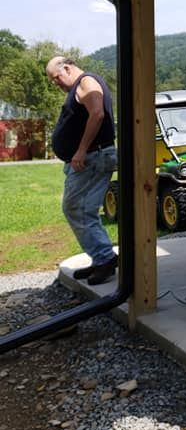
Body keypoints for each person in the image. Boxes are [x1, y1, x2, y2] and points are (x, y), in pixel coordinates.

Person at [46, 56, 118, 285]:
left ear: (66, 68)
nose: (55, 83)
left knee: (76, 208)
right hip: (89, 158)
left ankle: (105, 259)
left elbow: (97, 113)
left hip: (92, 157)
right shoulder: (81, 86)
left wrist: (80, 150)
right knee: (81, 209)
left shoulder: (87, 82)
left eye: (55, 78)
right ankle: (101, 259)